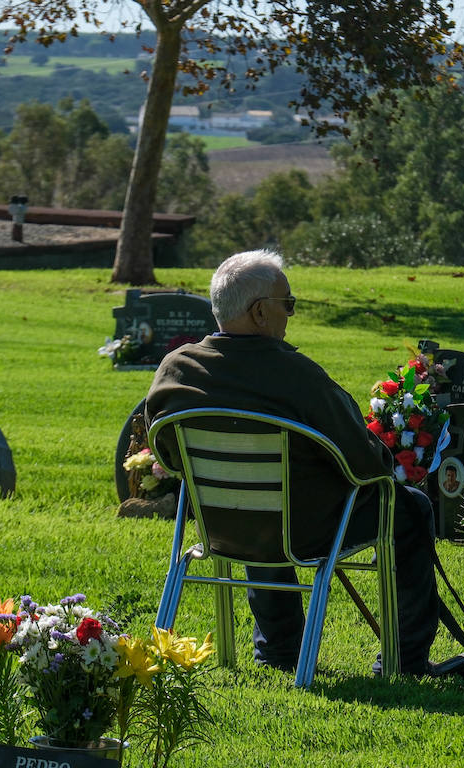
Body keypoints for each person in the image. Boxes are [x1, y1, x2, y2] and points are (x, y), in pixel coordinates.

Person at [144, 249, 442, 676]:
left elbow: (169, 456)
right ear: (261, 312)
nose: (291, 315)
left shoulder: (177, 369)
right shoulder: (298, 375)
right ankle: (405, 660)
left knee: (260, 501)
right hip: (305, 531)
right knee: (409, 507)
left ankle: (281, 650)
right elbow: (366, 464)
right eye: (289, 304)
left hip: (222, 523)